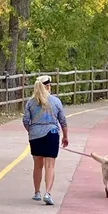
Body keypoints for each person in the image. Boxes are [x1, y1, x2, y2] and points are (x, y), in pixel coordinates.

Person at [22, 75, 69, 206]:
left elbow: (26, 120)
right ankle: (48, 193)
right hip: (52, 134)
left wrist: (31, 131)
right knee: (50, 165)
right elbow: (62, 121)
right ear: (48, 87)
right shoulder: (55, 101)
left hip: (35, 136)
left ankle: (37, 192)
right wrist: (65, 136)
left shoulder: (31, 102)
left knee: (37, 165)